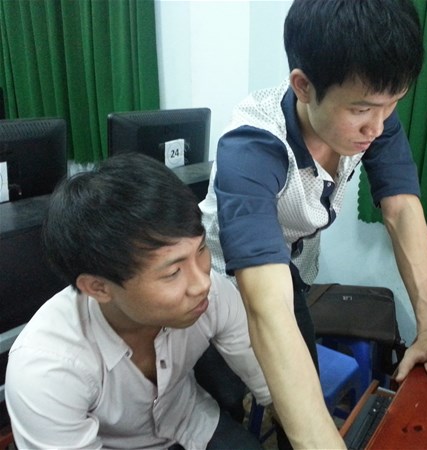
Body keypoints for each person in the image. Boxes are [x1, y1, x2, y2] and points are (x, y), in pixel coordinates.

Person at [199, 0, 427, 447]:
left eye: (392, 105)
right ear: (304, 86)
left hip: (287, 269)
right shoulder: (252, 149)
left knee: (302, 399)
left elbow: (401, 209)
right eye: (362, 110)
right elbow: (265, 303)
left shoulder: (372, 116)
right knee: (228, 407)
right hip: (217, 286)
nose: (377, 127)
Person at [5, 153, 270, 449]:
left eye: (201, 250)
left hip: (190, 419)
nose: (203, 283)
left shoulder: (212, 293)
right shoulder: (47, 369)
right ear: (98, 287)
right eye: (173, 272)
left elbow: (270, 379)